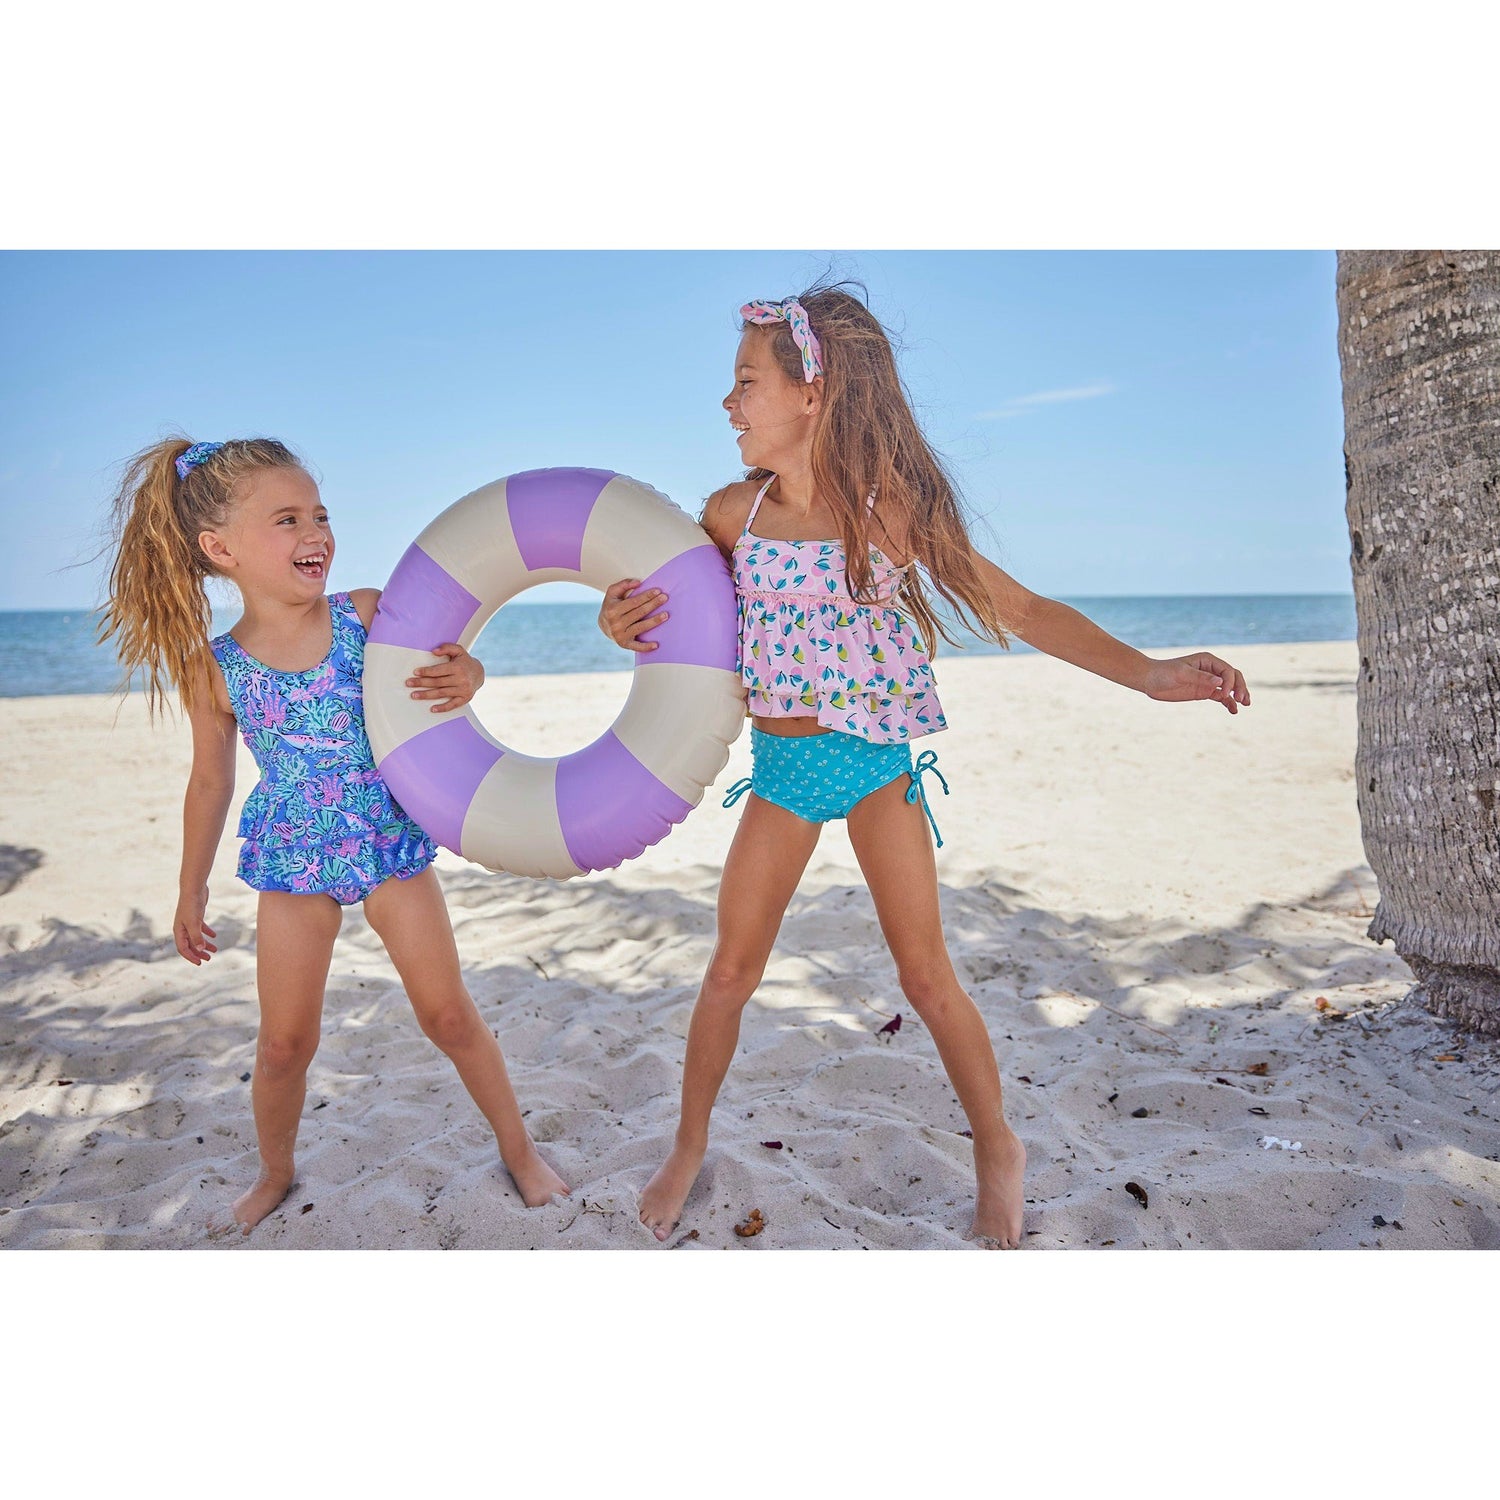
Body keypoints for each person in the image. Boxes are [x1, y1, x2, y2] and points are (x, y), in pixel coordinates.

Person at [600, 284, 1250, 1248]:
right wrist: (618, 623)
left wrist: (1148, 674)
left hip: (874, 765)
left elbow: (1021, 610)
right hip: (781, 772)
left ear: (812, 393)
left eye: (745, 381)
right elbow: (672, 626)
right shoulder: (733, 515)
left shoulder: (888, 515)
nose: (728, 402)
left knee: (925, 976)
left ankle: (998, 1147)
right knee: (730, 971)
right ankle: (688, 1144)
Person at [100, 437, 568, 1234]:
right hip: (293, 853)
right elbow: (210, 783)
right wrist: (190, 888)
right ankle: (275, 1172)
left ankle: (521, 1152)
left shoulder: (366, 614)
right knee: (285, 1044)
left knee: (448, 1015)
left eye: (319, 515)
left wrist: (471, 675)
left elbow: (455, 664)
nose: (315, 532)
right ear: (221, 550)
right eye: (287, 520)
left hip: (384, 840)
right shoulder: (214, 667)